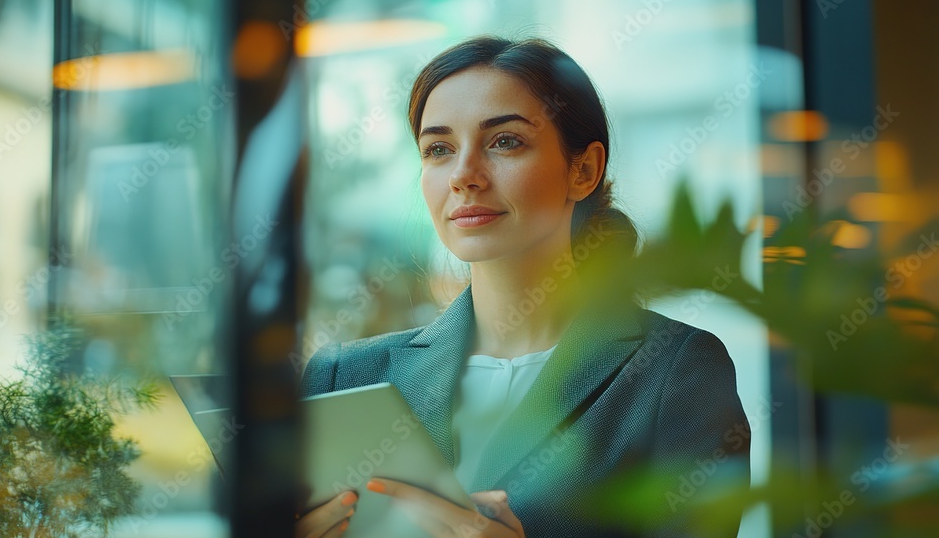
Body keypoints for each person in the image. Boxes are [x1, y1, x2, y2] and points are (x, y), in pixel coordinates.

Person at [296, 35, 750, 538]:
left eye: (504, 141)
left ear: (584, 170)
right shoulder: (345, 379)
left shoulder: (676, 371)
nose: (464, 176)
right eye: (439, 149)